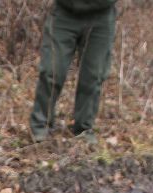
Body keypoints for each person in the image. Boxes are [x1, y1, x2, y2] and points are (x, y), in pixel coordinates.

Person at [29, 0, 117, 143]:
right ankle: (40, 126)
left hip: (102, 15)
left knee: (93, 76)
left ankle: (84, 130)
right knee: (52, 70)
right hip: (64, 12)